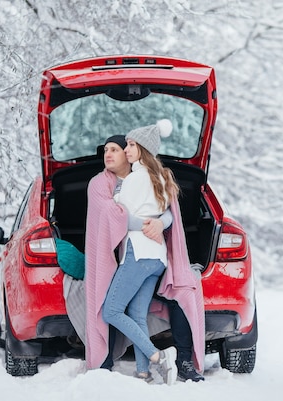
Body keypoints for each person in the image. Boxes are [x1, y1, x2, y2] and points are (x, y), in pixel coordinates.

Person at [83, 124, 205, 384]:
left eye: (130, 145)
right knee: (138, 314)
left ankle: (156, 357)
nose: (126, 150)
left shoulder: (136, 178)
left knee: (111, 311)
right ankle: (142, 372)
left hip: (137, 254)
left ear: (142, 150)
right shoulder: (160, 177)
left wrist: (121, 206)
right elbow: (165, 212)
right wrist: (159, 222)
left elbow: (119, 217)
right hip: (158, 258)